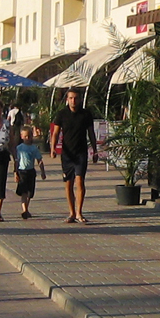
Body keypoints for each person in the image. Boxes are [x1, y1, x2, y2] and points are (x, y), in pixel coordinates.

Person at [49, 87, 100, 224]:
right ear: (67, 99)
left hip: (81, 153)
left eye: (76, 98)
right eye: (71, 98)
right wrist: (53, 148)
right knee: (68, 183)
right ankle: (71, 212)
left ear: (80, 99)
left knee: (80, 181)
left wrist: (95, 150)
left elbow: (91, 133)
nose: (73, 101)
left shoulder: (86, 114)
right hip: (67, 154)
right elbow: (55, 133)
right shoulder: (62, 114)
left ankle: (79, 212)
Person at [13, 125, 46, 219]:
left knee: (29, 193)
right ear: (21, 136)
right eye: (25, 136)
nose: (27, 138)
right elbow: (16, 161)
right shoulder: (19, 148)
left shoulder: (34, 148)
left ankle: (26, 208)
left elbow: (39, 160)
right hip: (22, 172)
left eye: (29, 136)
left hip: (31, 172)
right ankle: (25, 210)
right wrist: (15, 172)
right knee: (23, 192)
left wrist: (42, 172)